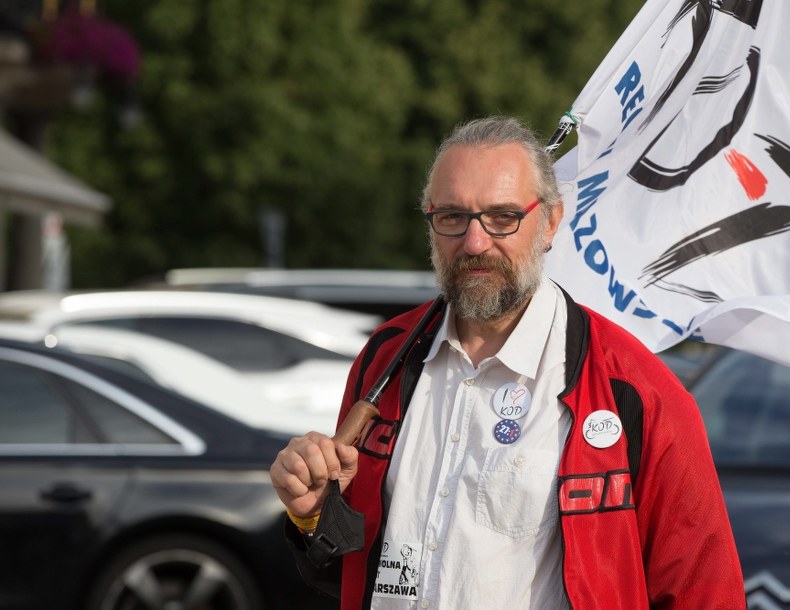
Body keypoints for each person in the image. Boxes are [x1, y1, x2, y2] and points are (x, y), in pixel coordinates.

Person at [270, 116, 746, 609]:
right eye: (452, 216)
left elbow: (704, 592)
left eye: (502, 217)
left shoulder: (637, 391)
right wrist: (314, 518)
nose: (475, 243)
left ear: (551, 222)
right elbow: (349, 570)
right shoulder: (387, 356)